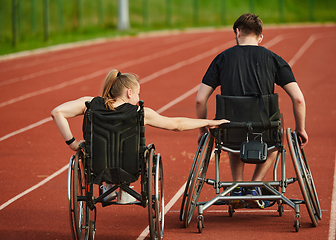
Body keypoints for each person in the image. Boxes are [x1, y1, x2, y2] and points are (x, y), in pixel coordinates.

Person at [51, 69, 228, 201]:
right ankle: (122, 190)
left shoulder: (89, 104)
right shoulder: (139, 112)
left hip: (96, 167)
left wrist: (73, 144)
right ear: (129, 92)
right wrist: (208, 122)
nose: (138, 97)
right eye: (138, 92)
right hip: (130, 168)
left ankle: (109, 186)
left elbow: (57, 112)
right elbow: (177, 125)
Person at [195, 13, 308, 208]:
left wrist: (202, 130)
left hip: (230, 131)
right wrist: (301, 129)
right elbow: (298, 98)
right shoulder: (273, 59)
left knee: (232, 131)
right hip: (265, 130)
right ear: (260, 37)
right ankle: (255, 185)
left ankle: (237, 187)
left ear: (237, 33)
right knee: (276, 139)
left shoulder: (222, 58)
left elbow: (199, 100)